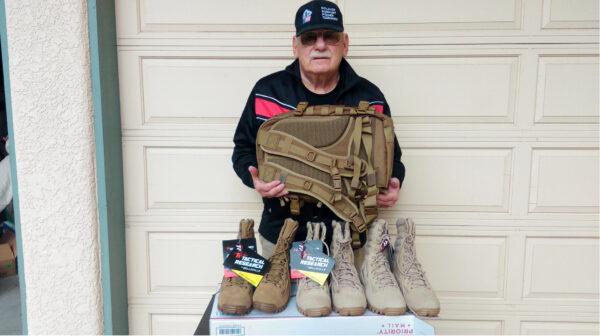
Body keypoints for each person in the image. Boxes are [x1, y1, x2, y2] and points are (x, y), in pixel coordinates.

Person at [232, 0, 405, 258]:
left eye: (330, 37)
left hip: (351, 238)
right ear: (295, 45)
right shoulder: (267, 92)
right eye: (309, 37)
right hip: (282, 236)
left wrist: (394, 181)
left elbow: (392, 158)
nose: (320, 45)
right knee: (276, 300)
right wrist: (254, 178)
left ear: (344, 44)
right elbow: (243, 148)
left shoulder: (370, 97)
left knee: (353, 300)